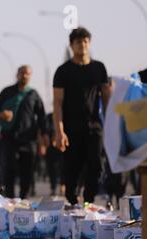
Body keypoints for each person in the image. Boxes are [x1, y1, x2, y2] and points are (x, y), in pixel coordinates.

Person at [53, 27, 111, 206]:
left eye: (85, 41)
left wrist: (111, 126)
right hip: (71, 128)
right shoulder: (63, 71)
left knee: (96, 166)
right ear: (72, 45)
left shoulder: (99, 68)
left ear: (89, 43)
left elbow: (107, 98)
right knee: (72, 169)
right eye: (78, 42)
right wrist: (59, 131)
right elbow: (57, 103)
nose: (82, 45)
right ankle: (72, 199)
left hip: (95, 127)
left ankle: (88, 200)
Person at [0, 65, 47, 199]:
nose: (24, 76)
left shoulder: (33, 95)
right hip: (9, 138)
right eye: (22, 73)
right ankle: (9, 198)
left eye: (27, 74)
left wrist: (44, 136)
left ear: (30, 76)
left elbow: (42, 117)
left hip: (28, 140)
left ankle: (23, 198)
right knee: (9, 170)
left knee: (27, 171)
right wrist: (1, 115)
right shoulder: (7, 92)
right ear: (17, 75)